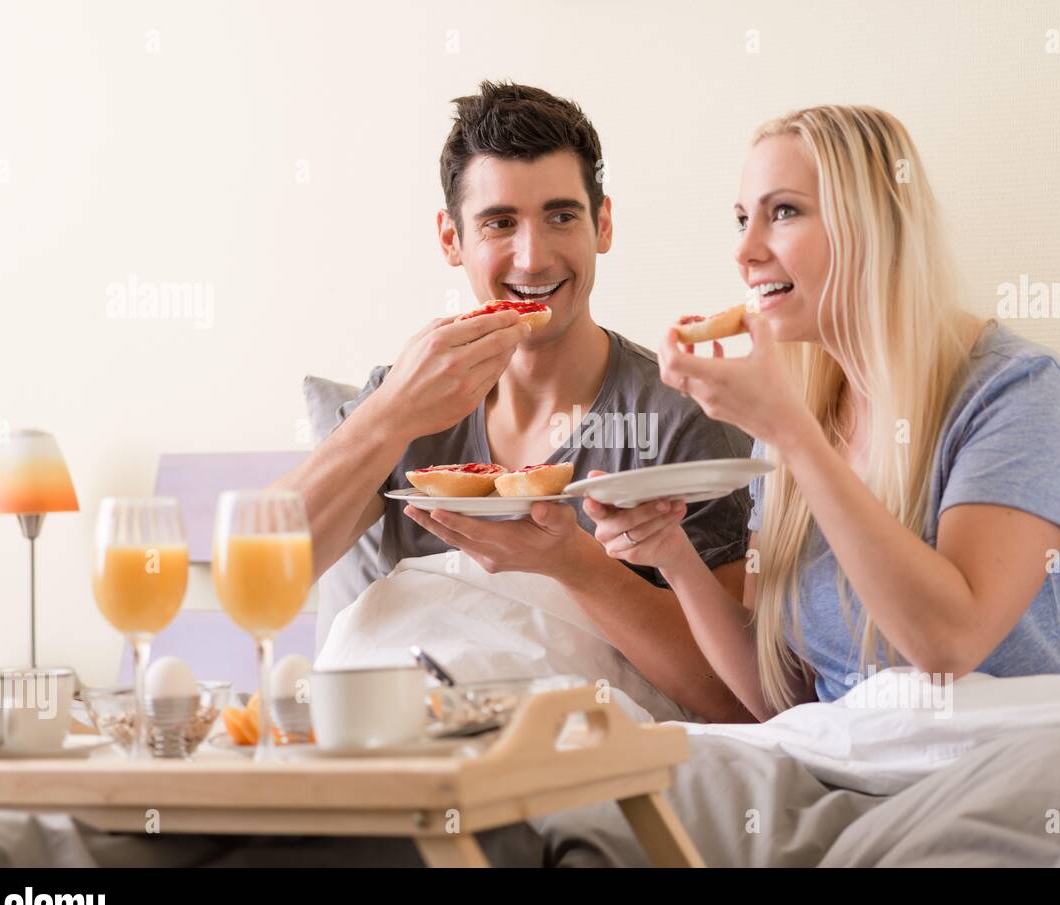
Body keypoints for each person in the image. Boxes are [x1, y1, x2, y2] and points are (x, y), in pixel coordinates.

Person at [585, 105, 1060, 720]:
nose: (745, 251)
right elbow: (785, 700)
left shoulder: (1020, 391)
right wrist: (673, 557)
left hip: (1036, 751)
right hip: (868, 766)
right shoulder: (798, 413)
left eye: (782, 211)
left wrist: (790, 433)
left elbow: (950, 646)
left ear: (874, 225)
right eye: (741, 219)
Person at [275, 81, 756, 722]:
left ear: (602, 224)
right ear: (451, 239)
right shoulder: (404, 399)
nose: (533, 257)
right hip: (400, 740)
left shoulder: (682, 416)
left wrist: (574, 565)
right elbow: (269, 574)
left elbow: (737, 705)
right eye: (499, 223)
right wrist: (388, 414)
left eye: (561, 216)